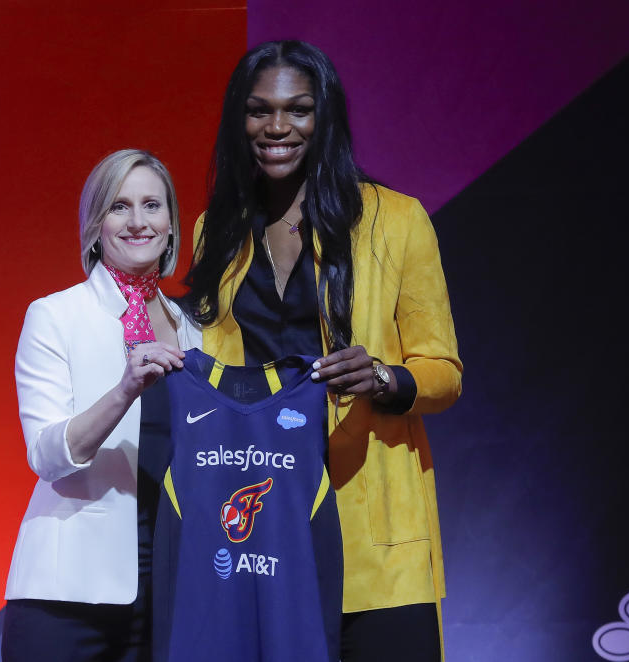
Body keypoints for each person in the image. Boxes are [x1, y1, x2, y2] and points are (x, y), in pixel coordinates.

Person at [182, 41, 462, 661]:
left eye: (298, 109)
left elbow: (443, 373)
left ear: (325, 116)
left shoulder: (397, 220)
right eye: (259, 111)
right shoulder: (215, 230)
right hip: (263, 516)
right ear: (239, 120)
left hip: (371, 519)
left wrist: (384, 378)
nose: (277, 127)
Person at [2, 149, 201, 662]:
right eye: (119, 207)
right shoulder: (54, 316)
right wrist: (124, 390)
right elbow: (47, 457)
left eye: (152, 205)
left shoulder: (193, 330)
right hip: (67, 594)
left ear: (172, 224)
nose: (138, 222)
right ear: (95, 226)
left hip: (169, 588)